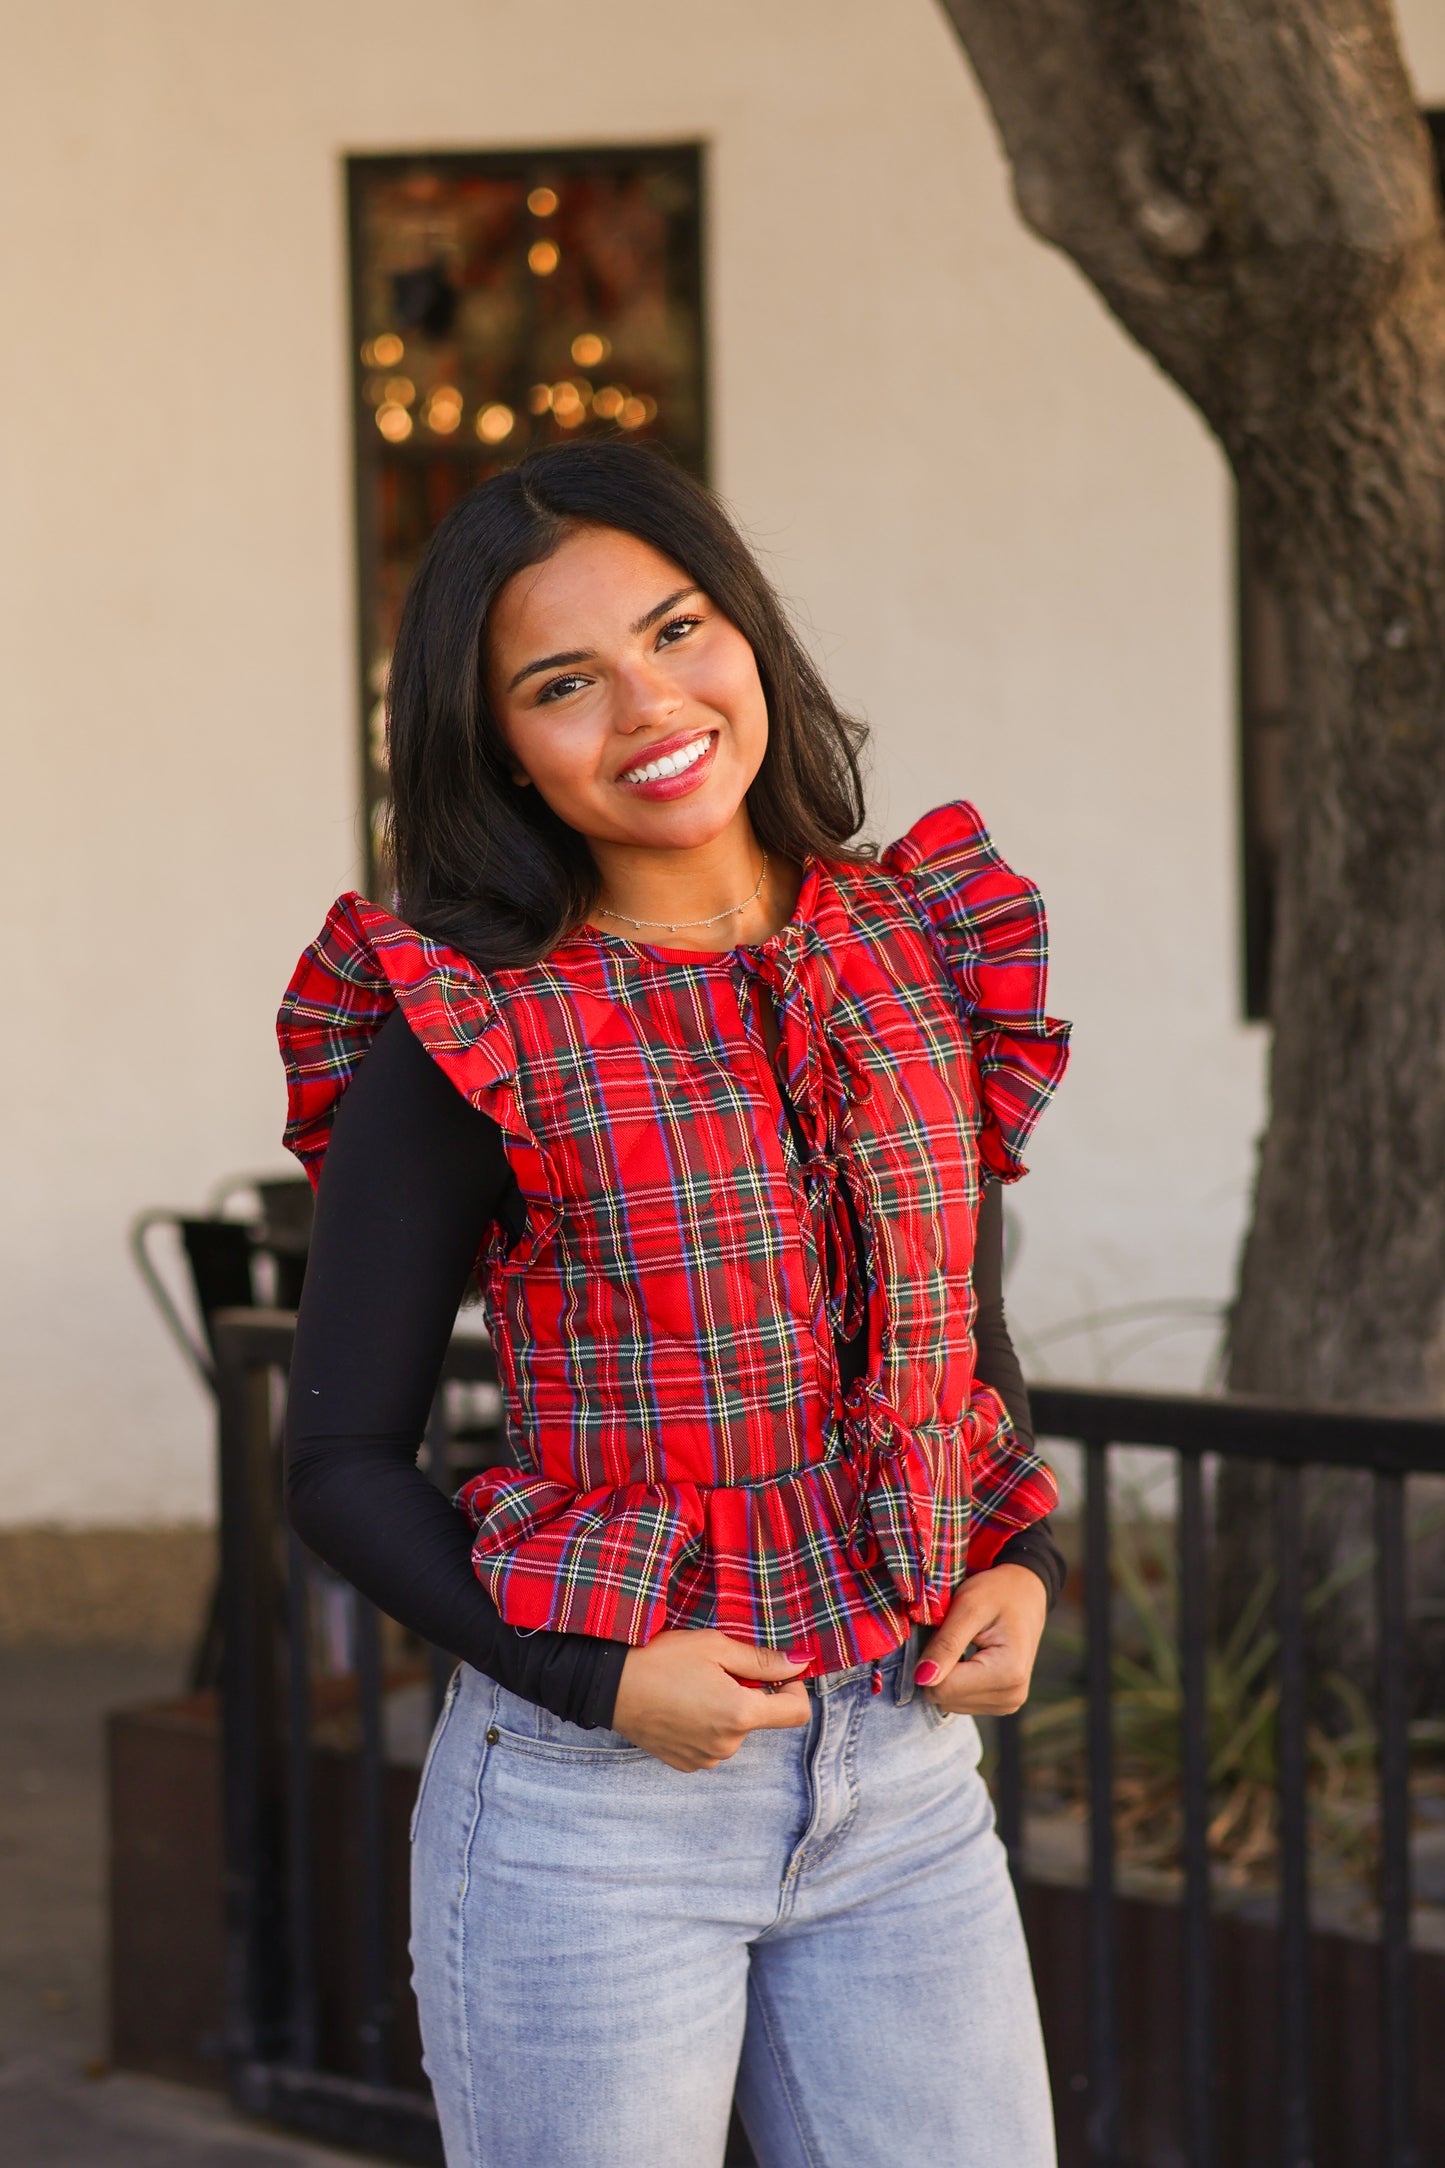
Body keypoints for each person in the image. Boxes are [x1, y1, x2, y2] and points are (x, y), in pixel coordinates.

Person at [277, 440, 1071, 2168]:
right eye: (565, 683)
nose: (649, 704)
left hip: (907, 1784)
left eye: (677, 628)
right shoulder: (470, 1023)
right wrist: (590, 1674)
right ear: (501, 746)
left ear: (748, 633)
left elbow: (959, 1345)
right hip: (595, 1820)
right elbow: (336, 1461)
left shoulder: (914, 946)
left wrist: (1023, 1561)